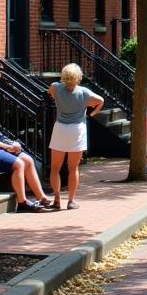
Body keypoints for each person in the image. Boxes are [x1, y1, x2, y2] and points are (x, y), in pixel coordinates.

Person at [0, 85, 53, 212]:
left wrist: (11, 144)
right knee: (18, 164)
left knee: (28, 159)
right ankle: (22, 203)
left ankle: (42, 197)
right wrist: (5, 146)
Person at [47, 63, 104, 211]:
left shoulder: (56, 87)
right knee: (73, 168)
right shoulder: (84, 92)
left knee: (54, 168)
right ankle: (71, 201)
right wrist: (92, 113)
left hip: (60, 128)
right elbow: (100, 100)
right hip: (77, 129)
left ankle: (57, 199)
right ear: (78, 77)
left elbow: (50, 92)